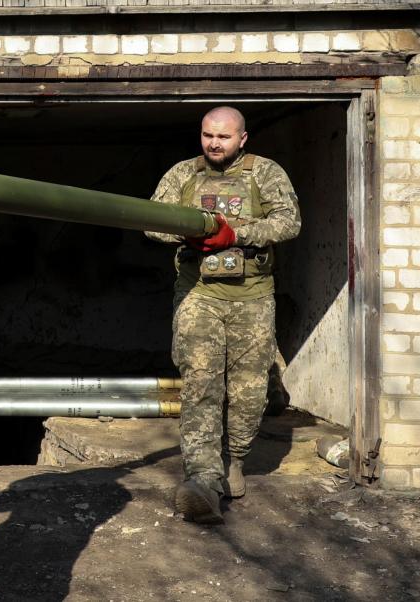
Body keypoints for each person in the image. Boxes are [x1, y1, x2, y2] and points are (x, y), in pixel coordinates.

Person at [146, 106, 301, 524]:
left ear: (243, 139)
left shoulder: (265, 173)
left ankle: (235, 457)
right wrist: (186, 230)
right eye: (208, 135)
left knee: (249, 390)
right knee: (201, 383)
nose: (214, 143)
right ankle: (202, 478)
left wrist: (236, 232)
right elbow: (151, 221)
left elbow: (289, 222)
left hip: (253, 295)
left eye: (224, 137)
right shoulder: (183, 175)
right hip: (199, 293)